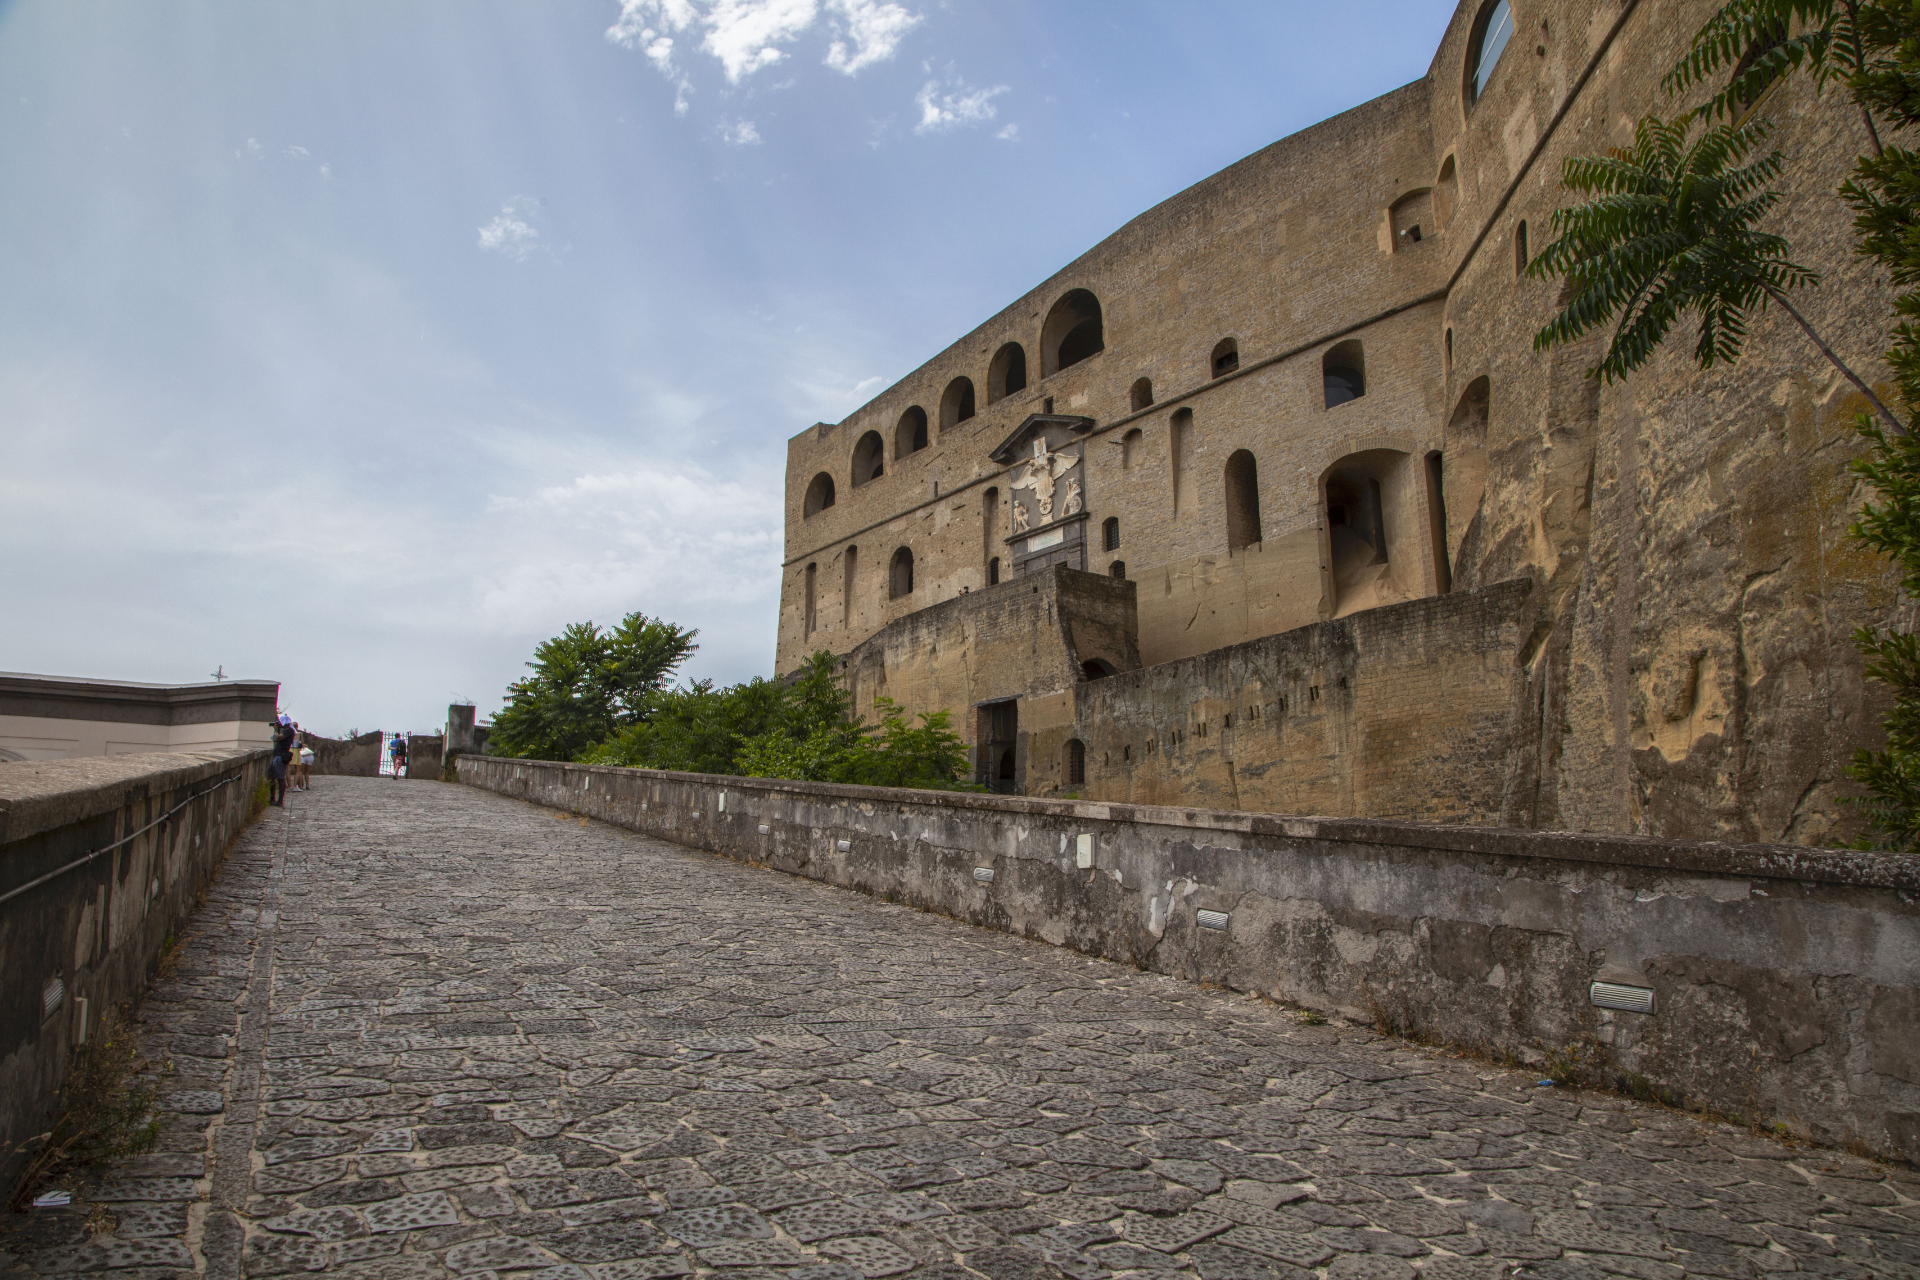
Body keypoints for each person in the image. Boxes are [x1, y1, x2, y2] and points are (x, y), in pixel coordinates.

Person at [268, 716, 296, 807]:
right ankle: (273, 799)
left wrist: (276, 730)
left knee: (280, 778)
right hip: (278, 756)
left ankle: (280, 801)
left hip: (280, 756)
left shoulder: (288, 730)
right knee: (272, 777)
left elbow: (278, 738)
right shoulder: (288, 730)